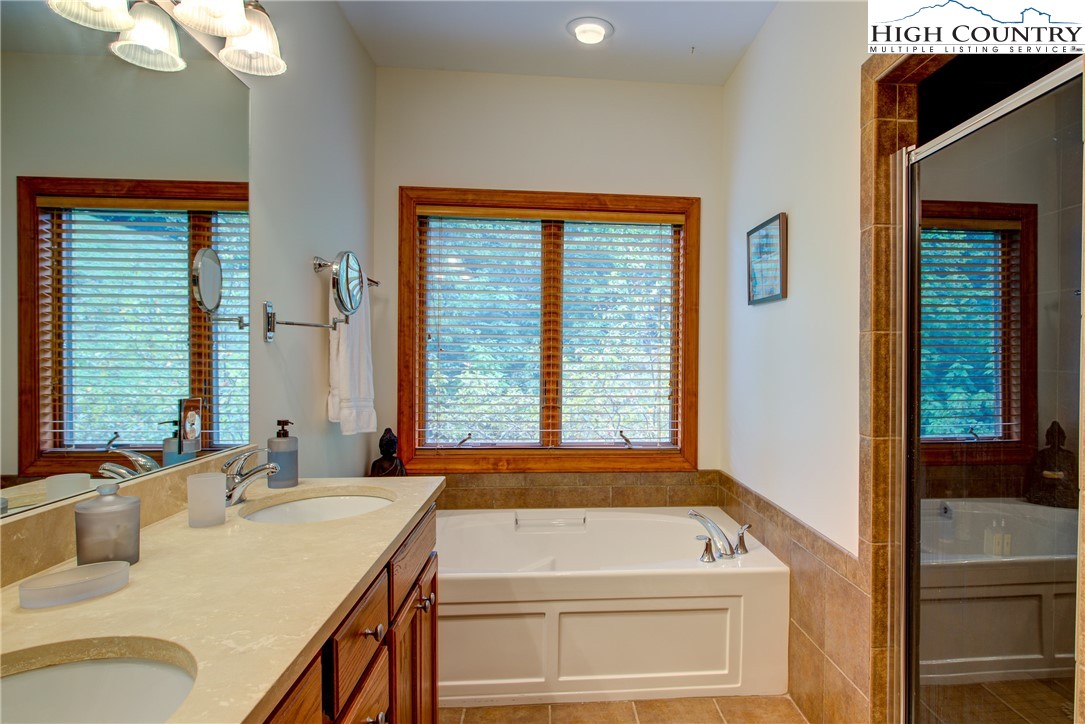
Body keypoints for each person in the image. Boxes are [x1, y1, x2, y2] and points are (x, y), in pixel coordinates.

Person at [1025, 421, 1078, 508]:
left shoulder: (1069, 456)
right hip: (1046, 488)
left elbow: (1071, 475)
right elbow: (1037, 474)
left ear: (1062, 438)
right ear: (1048, 437)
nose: (1055, 439)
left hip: (1063, 489)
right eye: (1052, 436)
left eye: (1058, 436)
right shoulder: (1042, 455)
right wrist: (1049, 476)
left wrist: (1061, 476)